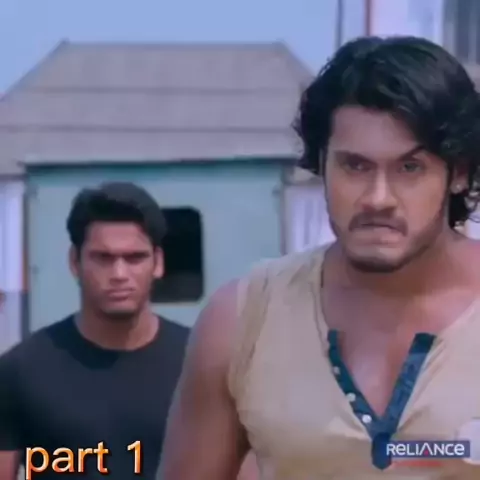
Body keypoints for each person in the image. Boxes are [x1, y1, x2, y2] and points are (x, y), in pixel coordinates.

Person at [160, 35, 480, 479]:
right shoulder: (246, 318)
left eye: (410, 168)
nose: (378, 198)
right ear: (321, 165)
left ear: (458, 173)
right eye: (355, 166)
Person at [0, 182, 190, 479]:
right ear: (74, 262)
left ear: (158, 262)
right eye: (103, 258)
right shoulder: (21, 371)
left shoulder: (200, 363)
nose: (119, 274)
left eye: (135, 258)